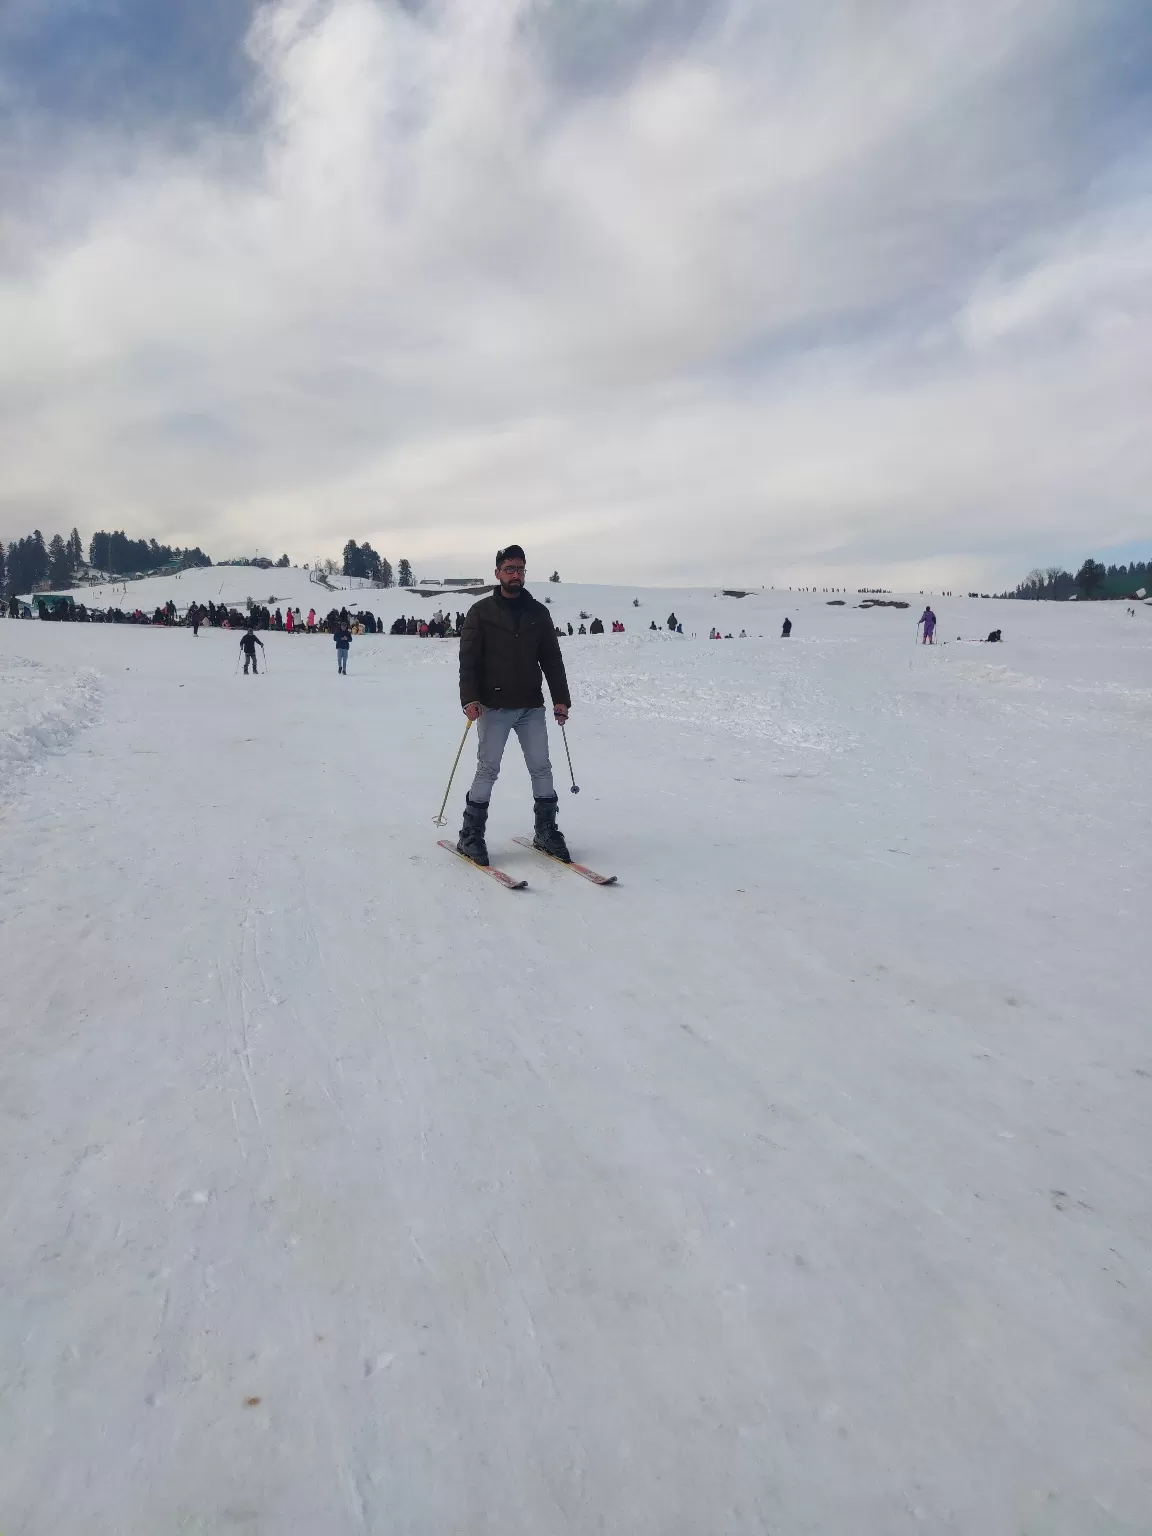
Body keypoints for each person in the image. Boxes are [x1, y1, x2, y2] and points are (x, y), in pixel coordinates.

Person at [456, 544, 572, 866]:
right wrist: (470, 698)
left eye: (520, 569)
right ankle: (471, 835)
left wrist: (560, 699)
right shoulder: (481, 612)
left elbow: (552, 659)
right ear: (497, 573)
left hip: (531, 706)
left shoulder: (538, 612)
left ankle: (546, 830)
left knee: (542, 767)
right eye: (509, 569)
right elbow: (469, 661)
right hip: (493, 706)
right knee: (488, 769)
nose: (515, 574)